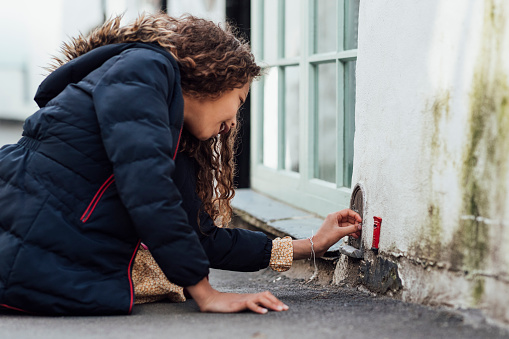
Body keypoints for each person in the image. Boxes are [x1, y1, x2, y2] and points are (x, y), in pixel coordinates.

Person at [0, 13, 362, 316]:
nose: (235, 122)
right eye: (239, 99)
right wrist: (206, 294)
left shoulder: (171, 133)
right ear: (217, 75)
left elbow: (200, 238)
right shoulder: (144, 69)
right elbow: (147, 188)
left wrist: (309, 245)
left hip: (44, 267)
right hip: (25, 264)